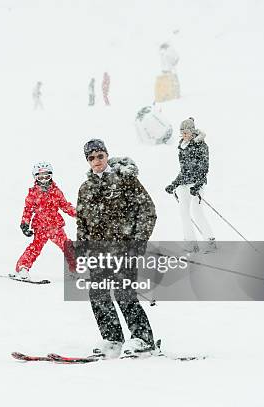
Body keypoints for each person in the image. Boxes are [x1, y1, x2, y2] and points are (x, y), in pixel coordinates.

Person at [76, 139, 157, 358]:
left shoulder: (125, 179)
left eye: (100, 156)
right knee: (98, 294)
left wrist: (138, 242)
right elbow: (82, 221)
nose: (96, 161)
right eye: (91, 158)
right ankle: (112, 339)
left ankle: (143, 339)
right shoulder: (86, 188)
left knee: (124, 293)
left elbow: (147, 210)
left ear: (106, 155)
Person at [15, 162, 76, 280]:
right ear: (35, 177)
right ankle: (23, 268)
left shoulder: (56, 192)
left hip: (55, 227)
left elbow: (65, 206)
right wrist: (25, 224)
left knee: (68, 247)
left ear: (51, 176)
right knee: (35, 247)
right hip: (40, 227)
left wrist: (79, 214)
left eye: (46, 176)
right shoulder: (33, 193)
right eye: (40, 177)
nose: (43, 180)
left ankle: (76, 270)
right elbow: (28, 210)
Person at [165, 117, 215, 252]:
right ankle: (191, 243)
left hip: (196, 185)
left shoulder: (201, 146)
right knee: (183, 213)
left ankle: (210, 242)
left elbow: (204, 168)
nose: (183, 135)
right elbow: (184, 170)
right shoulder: (182, 147)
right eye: (182, 132)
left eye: (186, 132)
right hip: (184, 184)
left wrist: (197, 185)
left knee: (197, 212)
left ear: (192, 132)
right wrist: (174, 184)